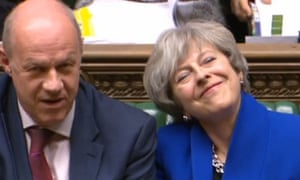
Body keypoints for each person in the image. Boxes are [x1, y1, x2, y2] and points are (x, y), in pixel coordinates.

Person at [0, 0, 156, 179]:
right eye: (37, 69)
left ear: (81, 51)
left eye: (65, 66)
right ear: (6, 62)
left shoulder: (129, 133)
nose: (54, 85)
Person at [143, 20, 300, 179]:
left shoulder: (295, 134)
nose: (201, 75)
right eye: (184, 76)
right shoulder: (167, 147)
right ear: (177, 102)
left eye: (208, 60)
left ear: (237, 69)